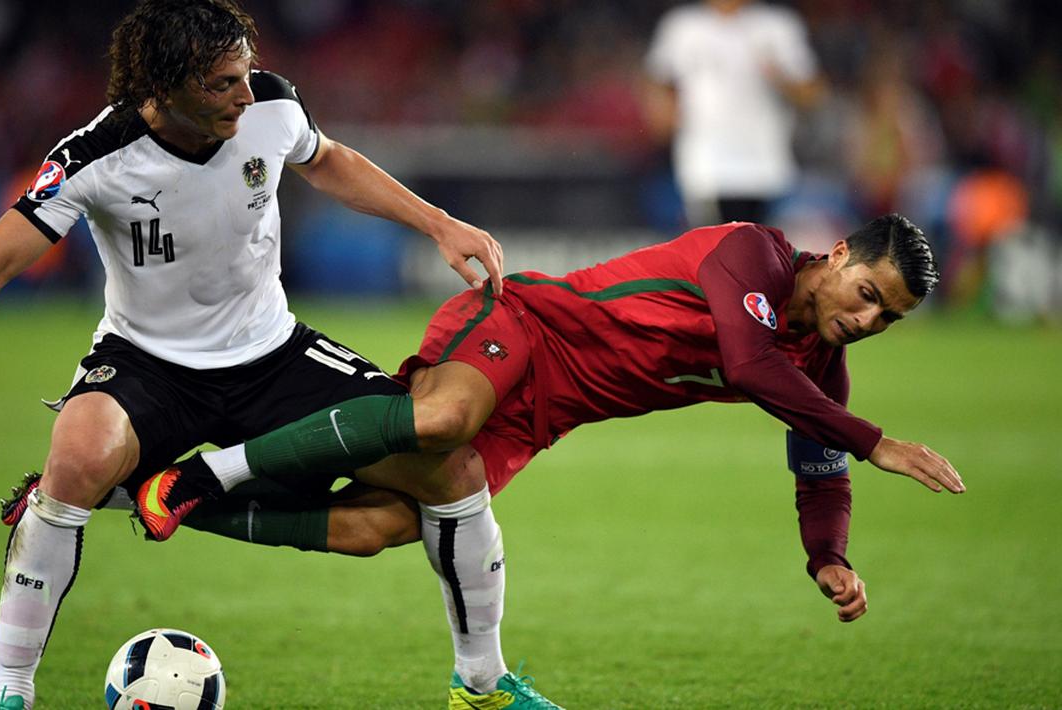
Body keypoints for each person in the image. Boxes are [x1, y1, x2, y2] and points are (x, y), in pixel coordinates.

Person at [0, 2, 533, 708]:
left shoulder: (270, 103)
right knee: (75, 456)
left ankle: (483, 686)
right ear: (163, 86)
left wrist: (438, 225)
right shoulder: (94, 156)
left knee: (437, 482)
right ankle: (9, 691)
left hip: (273, 355)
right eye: (221, 82)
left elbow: (328, 161)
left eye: (245, 72)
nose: (243, 91)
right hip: (148, 364)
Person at [98, 214, 963, 705]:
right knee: (439, 419)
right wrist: (878, 440)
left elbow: (818, 465)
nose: (866, 321)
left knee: (378, 529)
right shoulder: (756, 254)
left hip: (547, 414)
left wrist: (829, 556)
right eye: (866, 296)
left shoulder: (819, 369)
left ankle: (158, 495)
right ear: (840, 255)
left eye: (887, 318)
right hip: (526, 326)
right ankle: (206, 470)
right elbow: (746, 362)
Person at [643, 0, 828, 226]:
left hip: (763, 160)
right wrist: (664, 112)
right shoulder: (683, 27)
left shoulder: (776, 26)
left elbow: (813, 92)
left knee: (760, 246)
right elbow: (658, 78)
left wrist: (780, 77)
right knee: (713, 244)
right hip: (707, 161)